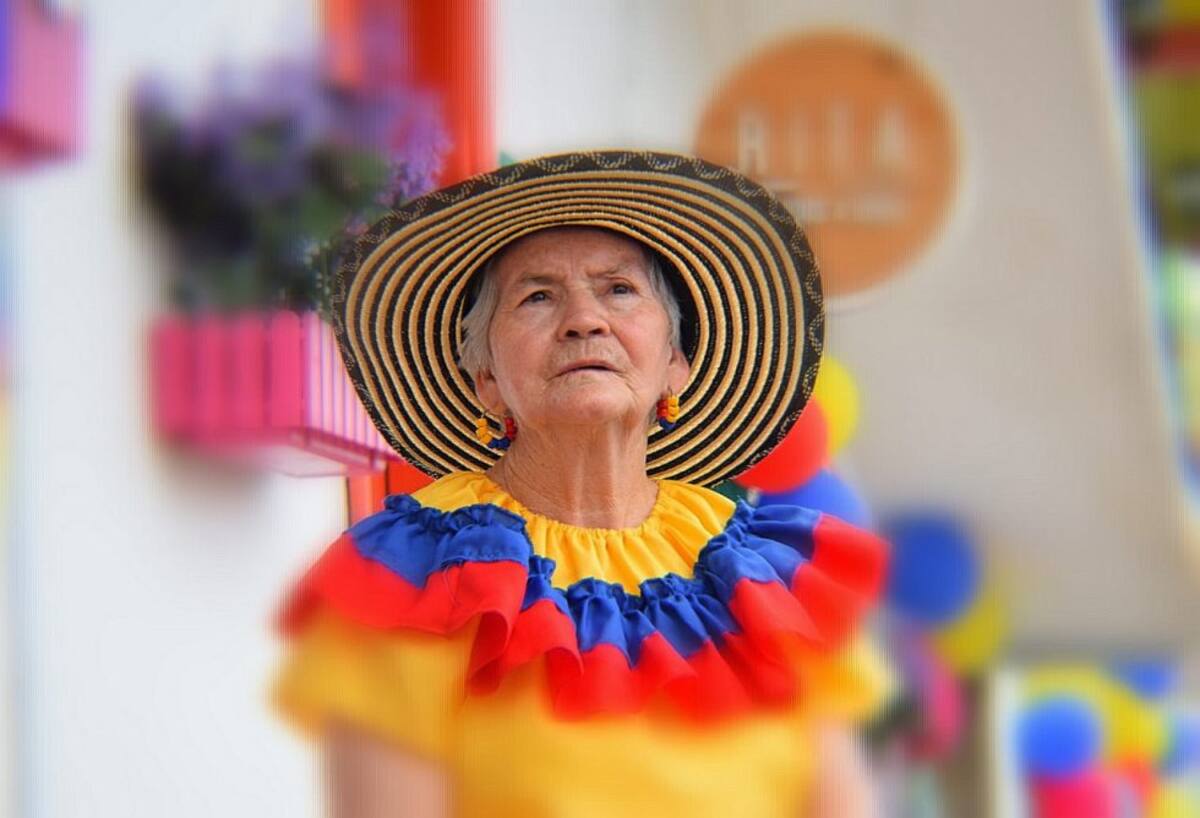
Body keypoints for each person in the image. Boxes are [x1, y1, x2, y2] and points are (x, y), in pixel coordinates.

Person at [269, 151, 895, 817]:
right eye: (537, 296)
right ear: (486, 379)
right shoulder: (406, 573)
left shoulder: (767, 572)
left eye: (619, 290)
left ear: (676, 362)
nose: (584, 320)